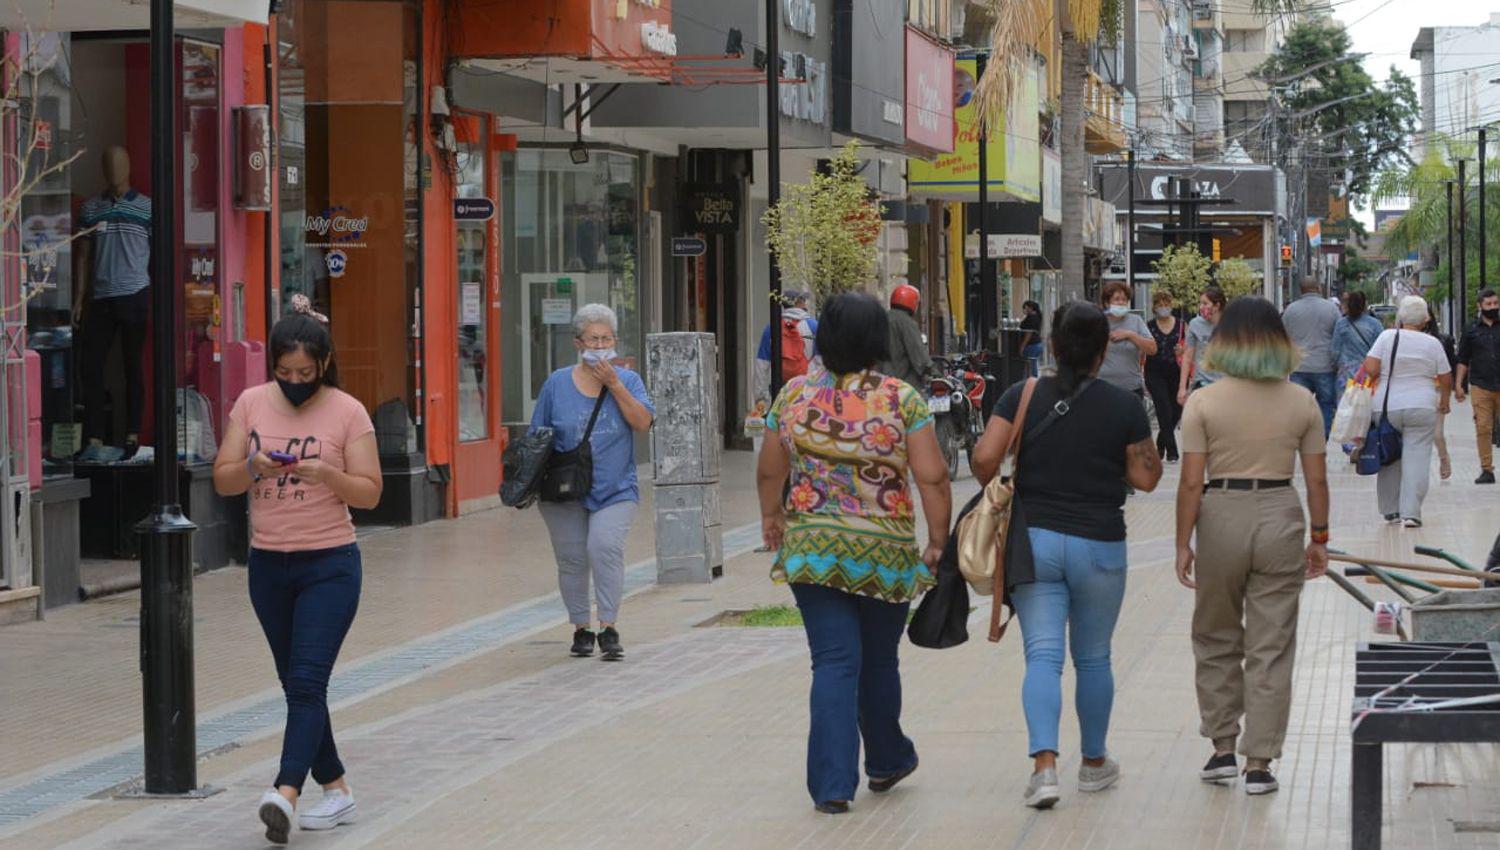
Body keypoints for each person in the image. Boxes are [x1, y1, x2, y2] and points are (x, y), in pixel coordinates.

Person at [756, 292, 951, 815]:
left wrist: (771, 517)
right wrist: (937, 539)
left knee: (834, 662)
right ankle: (886, 759)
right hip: (883, 550)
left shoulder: (793, 395)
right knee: (879, 660)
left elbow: (771, 467)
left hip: (812, 551)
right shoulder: (901, 399)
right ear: (877, 341)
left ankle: (832, 786)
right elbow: (931, 476)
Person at [970, 302, 1162, 810]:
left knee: (1043, 656)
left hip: (1034, 542)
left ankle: (1044, 769)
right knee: (1094, 656)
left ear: (1052, 346)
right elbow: (1146, 476)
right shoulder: (1123, 405)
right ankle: (1095, 764)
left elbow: (985, 461)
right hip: (1100, 540)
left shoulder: (1022, 395)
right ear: (1103, 351)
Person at [212, 295, 384, 844]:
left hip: (330, 565)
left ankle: (284, 792)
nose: (293, 381)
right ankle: (336, 786)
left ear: (324, 366)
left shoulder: (348, 411)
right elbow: (222, 480)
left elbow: (372, 492)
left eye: (304, 373)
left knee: (308, 681)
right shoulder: (251, 403)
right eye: (284, 372)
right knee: (297, 686)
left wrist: (327, 475)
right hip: (268, 566)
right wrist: (252, 466)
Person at [1173, 296, 1330, 798]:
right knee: (1272, 642)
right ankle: (1259, 762)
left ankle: (1222, 747)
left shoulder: (1204, 402)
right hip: (1281, 510)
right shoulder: (1301, 401)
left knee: (1216, 634)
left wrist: (1182, 543)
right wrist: (1320, 537)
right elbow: (1317, 479)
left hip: (1221, 512)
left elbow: (1191, 484)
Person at [532, 304, 656, 660]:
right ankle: (581, 627)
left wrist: (614, 384)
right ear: (578, 343)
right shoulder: (557, 383)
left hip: (615, 488)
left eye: (607, 339)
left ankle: (609, 626)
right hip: (565, 490)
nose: (600, 346)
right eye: (593, 339)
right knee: (571, 558)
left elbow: (643, 422)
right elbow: (538, 435)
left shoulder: (629, 380)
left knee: (604, 548)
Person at [1362, 295, 1453, 528]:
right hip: (1422, 405)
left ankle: (1391, 511)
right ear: (1425, 320)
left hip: (1387, 405)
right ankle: (1411, 513)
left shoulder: (1387, 336)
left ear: (1400, 317)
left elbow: (1370, 367)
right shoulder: (1433, 343)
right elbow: (1445, 377)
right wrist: (1444, 401)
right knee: (1417, 456)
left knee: (1390, 457)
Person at [1281, 277, 1342, 437]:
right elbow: (1338, 337)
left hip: (1299, 366)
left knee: (1300, 405)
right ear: (1318, 288)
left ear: (1301, 289)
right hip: (1325, 366)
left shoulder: (1291, 310)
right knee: (1326, 405)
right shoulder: (1332, 309)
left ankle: (1301, 436)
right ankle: (1323, 437)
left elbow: (1283, 337)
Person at [1456, 288, 1500, 485]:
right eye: (1488, 304)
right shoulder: (1471, 329)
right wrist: (1458, 384)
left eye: (1495, 304)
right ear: (1480, 306)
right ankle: (1486, 469)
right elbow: (1463, 359)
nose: (1493, 307)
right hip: (1481, 384)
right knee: (1483, 427)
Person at [755, 290, 817, 403]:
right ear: (798, 302)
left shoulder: (771, 327)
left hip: (780, 386)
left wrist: (759, 395)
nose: (805, 303)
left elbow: (761, 363)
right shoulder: (813, 326)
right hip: (805, 385)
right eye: (803, 300)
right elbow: (821, 360)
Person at [1145, 290, 1186, 462]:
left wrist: (1182, 351)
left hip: (1175, 372)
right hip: (1154, 372)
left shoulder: (1182, 325)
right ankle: (1172, 451)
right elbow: (1145, 349)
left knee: (1176, 411)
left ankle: (1161, 444)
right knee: (1164, 409)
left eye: (1166, 304)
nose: (1163, 308)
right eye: (1160, 305)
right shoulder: (1149, 326)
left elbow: (1189, 348)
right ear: (1154, 307)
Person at [1098, 282, 1158, 395]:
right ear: (1107, 303)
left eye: (1124, 300)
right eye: (1117, 299)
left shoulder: (1136, 321)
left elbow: (1152, 349)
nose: (1121, 302)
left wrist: (1130, 335)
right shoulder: (1098, 322)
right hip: (1103, 386)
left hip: (1131, 387)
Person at [880, 284, 936, 390]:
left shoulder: (882, 318)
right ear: (913, 303)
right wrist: (935, 372)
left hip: (880, 382)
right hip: (901, 384)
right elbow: (919, 355)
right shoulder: (907, 323)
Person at [1331, 290, 1383, 403]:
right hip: (1367, 372)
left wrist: (1334, 367)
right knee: (1366, 407)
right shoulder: (1375, 324)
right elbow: (1381, 350)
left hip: (1345, 374)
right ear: (1364, 304)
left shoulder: (1341, 324)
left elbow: (1335, 351)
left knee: (1345, 409)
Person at [1425, 306, 1458, 481]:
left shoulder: (1441, 341)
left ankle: (1444, 458)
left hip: (1436, 390)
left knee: (1437, 433)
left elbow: (1450, 368)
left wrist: (1448, 395)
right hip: (1415, 390)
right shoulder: (1403, 338)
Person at [1178, 286, 1227, 406]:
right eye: (1200, 303)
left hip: (1224, 384)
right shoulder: (1195, 324)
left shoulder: (1231, 324)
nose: (1201, 307)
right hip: (1201, 383)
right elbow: (1187, 356)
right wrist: (1182, 387)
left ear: (1216, 306)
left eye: (1205, 303)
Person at [1020, 300, 1044, 377]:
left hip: (1032, 344)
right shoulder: (1037, 316)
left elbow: (1029, 333)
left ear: (1030, 308)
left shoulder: (1031, 318)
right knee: (1033, 363)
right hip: (1037, 344)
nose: (1024, 310)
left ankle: (1032, 383)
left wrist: (1022, 346)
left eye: (1025, 308)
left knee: (1031, 365)